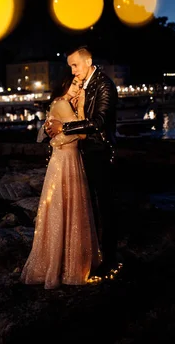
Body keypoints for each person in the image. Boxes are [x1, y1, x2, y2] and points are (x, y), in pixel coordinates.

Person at [21, 73, 102, 289]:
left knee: (63, 208)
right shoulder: (64, 104)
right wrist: (83, 104)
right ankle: (67, 267)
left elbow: (67, 131)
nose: (78, 88)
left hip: (65, 159)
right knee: (69, 209)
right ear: (65, 85)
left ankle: (59, 262)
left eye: (80, 84)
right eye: (75, 84)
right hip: (66, 161)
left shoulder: (62, 104)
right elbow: (83, 132)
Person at [45, 45, 119, 279]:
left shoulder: (104, 85)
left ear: (88, 62)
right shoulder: (84, 86)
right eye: (70, 66)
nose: (73, 70)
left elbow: (99, 121)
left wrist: (63, 127)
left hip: (99, 151)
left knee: (104, 206)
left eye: (75, 65)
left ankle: (109, 260)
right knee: (88, 207)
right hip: (82, 152)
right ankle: (89, 256)